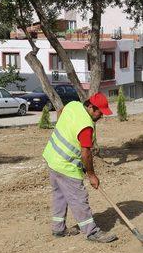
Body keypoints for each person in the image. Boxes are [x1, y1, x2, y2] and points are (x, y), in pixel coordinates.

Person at [42, 92, 117, 243]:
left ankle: (58, 229)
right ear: (90, 107)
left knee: (60, 195)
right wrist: (91, 175)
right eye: (99, 112)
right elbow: (86, 154)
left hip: (52, 157)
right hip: (66, 165)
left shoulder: (73, 105)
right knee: (79, 198)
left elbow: (60, 112)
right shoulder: (86, 126)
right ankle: (92, 232)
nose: (101, 116)